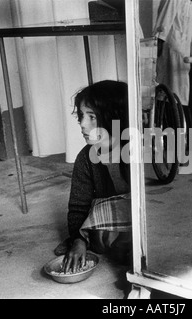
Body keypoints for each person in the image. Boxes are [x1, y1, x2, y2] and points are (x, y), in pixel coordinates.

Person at [54, 80, 132, 273]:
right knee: (98, 218)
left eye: (92, 117)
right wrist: (78, 241)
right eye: (81, 116)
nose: (82, 124)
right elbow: (78, 207)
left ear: (116, 117)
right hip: (112, 218)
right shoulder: (85, 158)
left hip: (137, 213)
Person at [153, 0, 192, 135]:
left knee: (184, 95)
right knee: (172, 94)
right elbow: (164, 20)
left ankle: (187, 132)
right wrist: (157, 45)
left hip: (184, 50)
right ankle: (176, 133)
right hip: (173, 49)